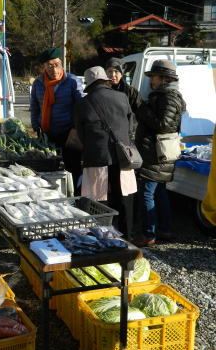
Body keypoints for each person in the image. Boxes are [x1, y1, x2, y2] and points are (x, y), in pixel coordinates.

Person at [74, 66, 137, 240]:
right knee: (124, 196)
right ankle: (128, 237)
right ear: (105, 80)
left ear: (90, 84)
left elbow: (80, 134)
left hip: (96, 156)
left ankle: (105, 238)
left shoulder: (82, 104)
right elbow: (131, 123)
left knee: (99, 199)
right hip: (122, 155)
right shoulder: (122, 97)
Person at [133, 60, 186, 247]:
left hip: (156, 155)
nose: (151, 81)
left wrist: (142, 109)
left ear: (164, 78)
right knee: (159, 192)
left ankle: (149, 234)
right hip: (157, 153)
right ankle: (165, 229)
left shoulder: (169, 96)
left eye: (153, 77)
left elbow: (162, 125)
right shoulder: (163, 95)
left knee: (147, 193)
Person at [30, 48, 84, 191]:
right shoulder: (38, 84)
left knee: (73, 168)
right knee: (49, 169)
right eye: (49, 65)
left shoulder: (72, 81)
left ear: (62, 65)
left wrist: (76, 127)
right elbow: (35, 107)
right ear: (44, 68)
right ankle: (53, 196)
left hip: (68, 133)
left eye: (56, 64)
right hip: (47, 134)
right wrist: (36, 126)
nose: (54, 69)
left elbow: (81, 106)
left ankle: (76, 198)